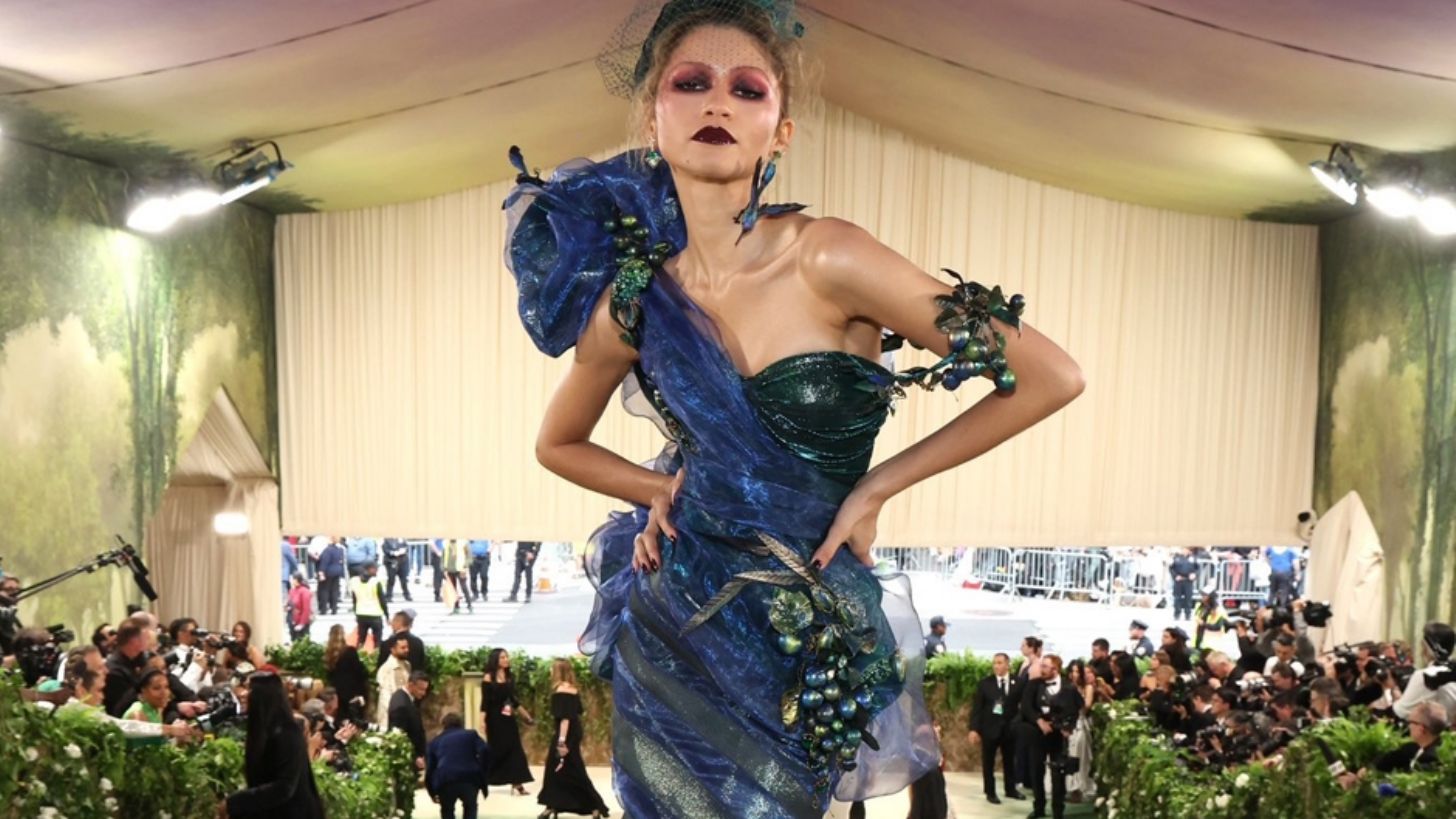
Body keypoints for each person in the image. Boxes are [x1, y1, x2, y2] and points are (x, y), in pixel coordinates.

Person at [505, 2, 1082, 814]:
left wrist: (876, 487)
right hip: (673, 626)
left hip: (797, 639)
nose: (717, 101)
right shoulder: (634, 301)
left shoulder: (830, 255)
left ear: (780, 133)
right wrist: (657, 487)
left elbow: (1049, 373)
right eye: (690, 83)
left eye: (747, 89)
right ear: (651, 120)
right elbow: (557, 442)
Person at [220, 673, 325, 818]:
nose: (243, 694)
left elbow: (284, 787)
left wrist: (235, 803)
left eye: (249, 689)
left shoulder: (287, 732)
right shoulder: (262, 729)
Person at [538, 659, 611, 818]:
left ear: (558, 671)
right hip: (574, 732)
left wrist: (561, 742)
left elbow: (565, 718)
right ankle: (556, 805)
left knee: (559, 767)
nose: (550, 671)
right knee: (570, 768)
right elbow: (577, 712)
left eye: (552, 669)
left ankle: (590, 804)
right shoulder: (572, 689)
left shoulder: (561, 690)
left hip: (565, 733)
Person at [1020, 655, 1081, 819]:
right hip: (1037, 734)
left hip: (1058, 737)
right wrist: (1039, 721)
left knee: (1058, 774)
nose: (1042, 670)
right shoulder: (1033, 684)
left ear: (1055, 669)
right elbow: (1026, 706)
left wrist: (1068, 727)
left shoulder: (1068, 687)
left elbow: (1076, 708)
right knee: (1036, 772)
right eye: (1042, 666)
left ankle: (1058, 811)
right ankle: (1039, 808)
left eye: (1045, 667)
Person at [968, 652, 1021, 804]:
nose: (996, 666)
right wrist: (974, 729)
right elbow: (977, 708)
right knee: (988, 762)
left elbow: (1022, 705)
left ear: (1007, 664)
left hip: (1010, 729)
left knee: (1010, 760)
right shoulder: (985, 683)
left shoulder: (1018, 683)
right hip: (990, 728)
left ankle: (1010, 789)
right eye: (994, 663)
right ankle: (990, 792)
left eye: (999, 663)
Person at [481, 648, 534, 795]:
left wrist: (526, 716)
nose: (506, 660)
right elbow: (485, 702)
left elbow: (513, 700)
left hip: (508, 717)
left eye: (506, 657)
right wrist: (482, 721)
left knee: (514, 749)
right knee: (496, 750)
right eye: (502, 657)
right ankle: (483, 778)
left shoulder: (510, 677)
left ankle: (517, 782)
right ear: (495, 660)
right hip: (494, 719)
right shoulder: (488, 678)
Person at [426, 712, 491, 819]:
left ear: (443, 726)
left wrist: (432, 792)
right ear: (461, 724)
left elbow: (430, 769)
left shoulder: (435, 742)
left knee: (447, 810)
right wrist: (481, 770)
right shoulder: (471, 735)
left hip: (446, 779)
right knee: (470, 807)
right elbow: (484, 749)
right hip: (470, 777)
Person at [1394, 621, 1456, 720]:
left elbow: (1401, 712)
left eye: (1423, 647)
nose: (1421, 652)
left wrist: (1394, 692)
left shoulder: (1422, 676)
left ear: (1427, 650)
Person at [389, 670, 432, 773]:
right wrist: (415, 757)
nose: (423, 693)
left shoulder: (408, 699)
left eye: (425, 690)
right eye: (421, 689)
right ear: (411, 685)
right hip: (408, 761)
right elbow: (399, 736)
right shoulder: (401, 704)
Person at [323, 624, 368, 720]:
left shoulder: (328, 654)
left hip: (338, 695)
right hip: (353, 694)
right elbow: (360, 672)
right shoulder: (350, 651)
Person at [349, 561, 388, 650]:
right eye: (375, 568)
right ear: (369, 569)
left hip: (361, 613)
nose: (377, 570)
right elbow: (382, 600)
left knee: (361, 640)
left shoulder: (354, 581)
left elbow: (354, 600)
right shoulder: (376, 582)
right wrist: (387, 615)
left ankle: (358, 655)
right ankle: (377, 655)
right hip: (375, 614)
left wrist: (356, 613)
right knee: (377, 640)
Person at [376, 633, 413, 727]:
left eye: (407, 647)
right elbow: (385, 699)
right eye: (403, 648)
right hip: (393, 715)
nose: (407, 650)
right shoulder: (386, 669)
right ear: (393, 649)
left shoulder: (407, 665)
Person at [384, 609, 429, 674]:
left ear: (398, 623)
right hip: (414, 678)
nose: (391, 624)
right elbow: (421, 666)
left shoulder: (387, 643)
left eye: (393, 621)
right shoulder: (418, 642)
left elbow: (381, 667)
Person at [444, 538, 475, 614]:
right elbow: (444, 556)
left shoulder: (463, 542)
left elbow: (469, 556)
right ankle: (456, 607)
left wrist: (466, 564)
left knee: (464, 587)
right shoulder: (446, 542)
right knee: (452, 589)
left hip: (461, 569)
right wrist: (443, 567)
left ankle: (469, 605)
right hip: (450, 569)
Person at [318, 537, 346, 615]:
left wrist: (321, 571)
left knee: (325, 590)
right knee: (335, 590)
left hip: (328, 571)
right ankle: (334, 609)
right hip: (337, 571)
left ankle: (323, 609)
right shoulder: (340, 550)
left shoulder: (327, 550)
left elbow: (325, 561)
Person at [1169, 548, 1197, 622]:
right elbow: (1171, 568)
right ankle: (1177, 614)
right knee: (1177, 598)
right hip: (1178, 581)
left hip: (1188, 581)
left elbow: (1197, 568)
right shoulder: (1176, 558)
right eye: (1183, 549)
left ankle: (1188, 615)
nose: (1184, 551)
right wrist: (1175, 576)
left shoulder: (1193, 558)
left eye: (1186, 549)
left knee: (1188, 598)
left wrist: (1194, 574)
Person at [383, 537, 413, 602]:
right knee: (391, 579)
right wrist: (393, 553)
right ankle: (388, 596)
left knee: (404, 579)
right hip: (391, 561)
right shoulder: (387, 540)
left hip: (402, 560)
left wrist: (403, 551)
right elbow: (385, 549)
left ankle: (407, 595)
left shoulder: (402, 538)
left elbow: (406, 547)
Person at [286, 573, 315, 642]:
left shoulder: (305, 591)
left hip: (301, 621)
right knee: (293, 640)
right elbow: (289, 602)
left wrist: (302, 623)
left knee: (302, 641)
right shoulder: (292, 591)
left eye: (293, 579)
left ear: (296, 580)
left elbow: (306, 609)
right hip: (292, 620)